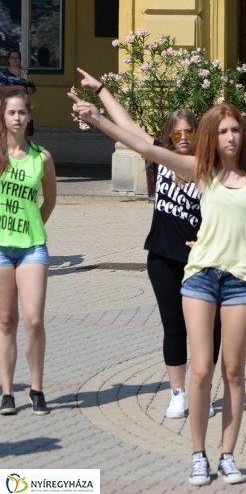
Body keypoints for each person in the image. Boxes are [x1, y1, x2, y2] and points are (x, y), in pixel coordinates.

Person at [70, 89, 246, 487]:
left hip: (240, 281)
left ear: (244, 134)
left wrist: (241, 242)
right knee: (201, 370)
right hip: (200, 277)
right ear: (213, 136)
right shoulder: (200, 170)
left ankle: (228, 456)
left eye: (236, 130)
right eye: (223, 131)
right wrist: (97, 118)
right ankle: (199, 455)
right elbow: (143, 146)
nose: (231, 137)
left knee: (233, 371)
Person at [72, 69, 221, 420]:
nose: (182, 138)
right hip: (163, 257)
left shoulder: (208, 168)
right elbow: (127, 127)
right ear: (168, 137)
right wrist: (101, 90)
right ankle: (178, 393)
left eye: (189, 132)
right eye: (176, 133)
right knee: (174, 324)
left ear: (198, 134)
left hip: (202, 259)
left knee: (209, 328)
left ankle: (203, 389)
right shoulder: (161, 158)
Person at [0, 92, 56, 416]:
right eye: (11, 112)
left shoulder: (42, 157)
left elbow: (50, 200)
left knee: (33, 320)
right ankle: (7, 393)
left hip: (32, 248)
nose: (17, 118)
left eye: (22, 112)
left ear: (29, 116)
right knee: (6, 321)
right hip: (1, 249)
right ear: (3, 117)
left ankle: (37, 389)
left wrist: (33, 225)